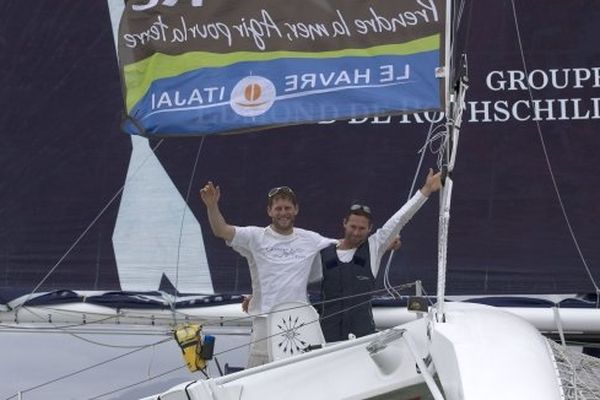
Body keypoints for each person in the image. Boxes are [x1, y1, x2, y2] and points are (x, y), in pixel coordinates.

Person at [199, 182, 335, 367]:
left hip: (300, 321)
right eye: (278, 208)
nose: (283, 212)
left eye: (287, 207)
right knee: (258, 379)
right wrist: (212, 205)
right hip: (264, 322)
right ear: (269, 211)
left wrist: (384, 244)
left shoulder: (311, 239)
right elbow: (221, 230)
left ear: (296, 210)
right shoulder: (254, 237)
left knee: (302, 376)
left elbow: (345, 246)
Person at [315, 168, 442, 342]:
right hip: (327, 338)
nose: (357, 232)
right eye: (353, 226)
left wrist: (426, 190)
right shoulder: (322, 251)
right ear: (344, 223)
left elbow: (400, 218)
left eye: (362, 228)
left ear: (370, 229)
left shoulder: (375, 246)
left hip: (362, 338)